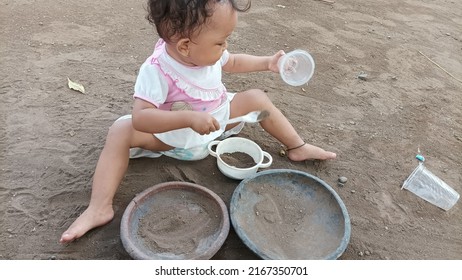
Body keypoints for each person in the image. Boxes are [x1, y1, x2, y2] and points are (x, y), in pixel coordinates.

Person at [59, 0, 336, 244]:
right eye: (221, 42)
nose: (225, 46)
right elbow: (142, 117)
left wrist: (268, 63)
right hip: (176, 140)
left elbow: (233, 62)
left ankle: (297, 146)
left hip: (216, 123)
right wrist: (189, 118)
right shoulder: (157, 70)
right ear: (184, 46)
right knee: (121, 130)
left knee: (256, 98)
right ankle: (99, 207)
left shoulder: (204, 51)